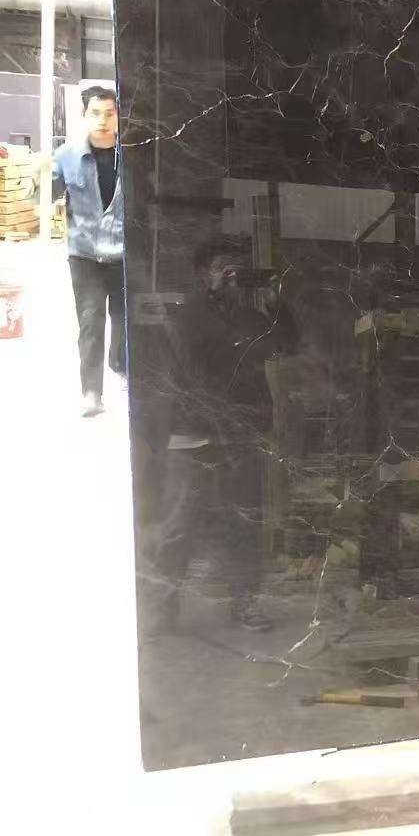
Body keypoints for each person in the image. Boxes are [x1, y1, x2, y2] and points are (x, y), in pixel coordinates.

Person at [148, 236, 298, 632]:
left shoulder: (251, 319)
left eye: (235, 267)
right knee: (179, 522)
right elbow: (189, 373)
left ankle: (245, 601)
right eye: (220, 267)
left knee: (244, 520)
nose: (230, 273)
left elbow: (287, 343)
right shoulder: (186, 317)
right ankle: (163, 608)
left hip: (239, 433)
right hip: (193, 434)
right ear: (203, 275)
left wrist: (276, 306)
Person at [35, 86, 126, 417]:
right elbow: (44, 198)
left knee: (125, 320)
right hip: (85, 254)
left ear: (118, 115)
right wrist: (40, 178)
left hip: (124, 253)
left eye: (110, 113)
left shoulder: (132, 153)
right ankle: (91, 392)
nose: (103, 120)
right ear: (84, 115)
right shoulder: (66, 156)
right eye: (95, 113)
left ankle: (121, 366)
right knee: (90, 321)